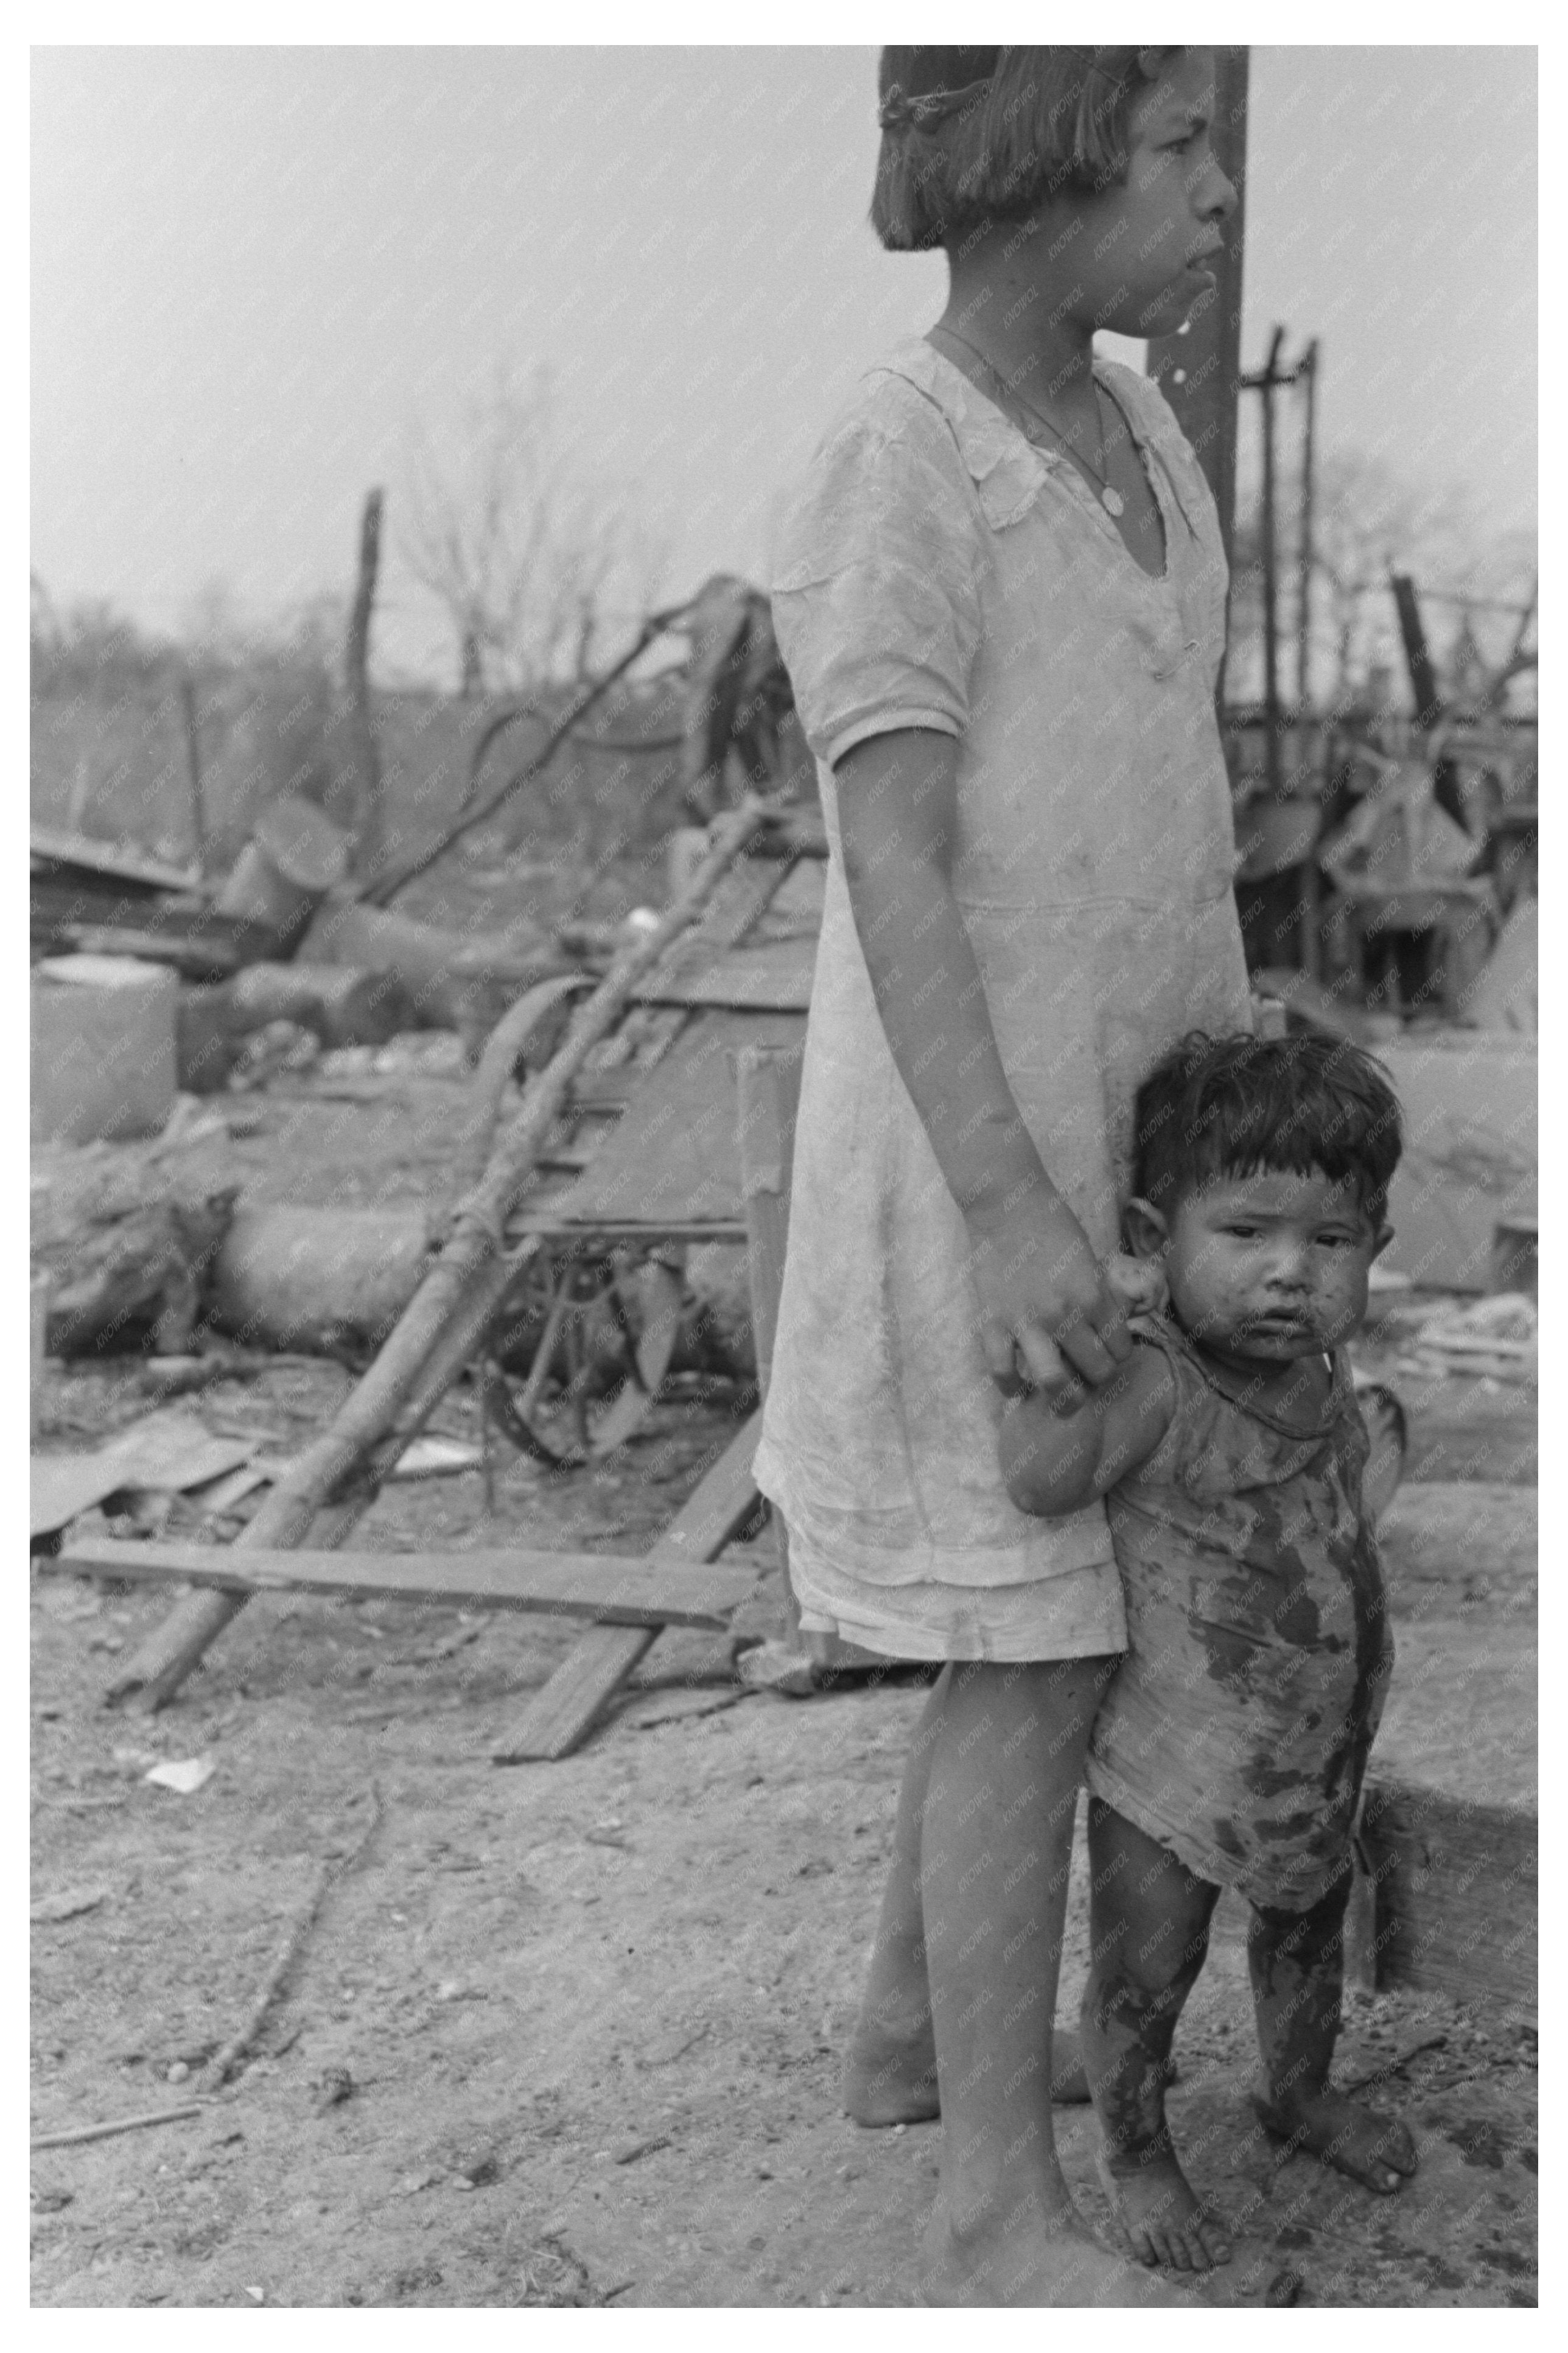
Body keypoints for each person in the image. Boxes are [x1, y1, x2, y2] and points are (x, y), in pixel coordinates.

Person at [752, 44, 1251, 2304]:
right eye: (1176, 148)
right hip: (978, 1161)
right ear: (1051, 180)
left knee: (1036, 1621)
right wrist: (1016, 1205)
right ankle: (982, 2204)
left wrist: (1234, 1125)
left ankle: (899, 2035)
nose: (1214, 187)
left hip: (1124, 1141)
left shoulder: (1143, 439)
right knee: (1024, 1645)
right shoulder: (898, 461)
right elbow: (898, 861)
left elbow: (1178, 816)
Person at [999, 1030, 1419, 2276]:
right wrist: (1059, 1374)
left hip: (1309, 1751)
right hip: (1172, 1775)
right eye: (1244, 1235)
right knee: (1146, 1971)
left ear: (1373, 1251)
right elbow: (1036, 1480)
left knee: (1304, 1935)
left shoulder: (1323, 1371)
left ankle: (1295, 2093)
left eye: (1328, 1243)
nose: (1289, 1273)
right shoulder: (1158, 1385)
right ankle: (1136, 2147)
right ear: (1152, 1236)